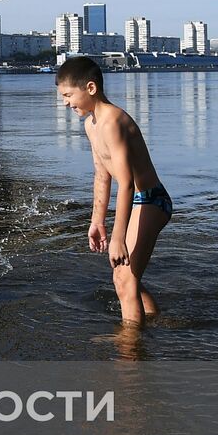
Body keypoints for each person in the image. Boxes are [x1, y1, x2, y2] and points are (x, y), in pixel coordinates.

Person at [55, 56, 170, 326]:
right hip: (138, 202)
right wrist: (97, 222)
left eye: (69, 95)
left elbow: (127, 183)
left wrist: (117, 237)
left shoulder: (113, 121)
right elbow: (102, 175)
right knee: (126, 278)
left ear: (91, 88)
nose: (65, 103)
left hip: (151, 200)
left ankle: (130, 350)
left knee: (123, 278)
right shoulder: (90, 125)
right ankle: (155, 322)